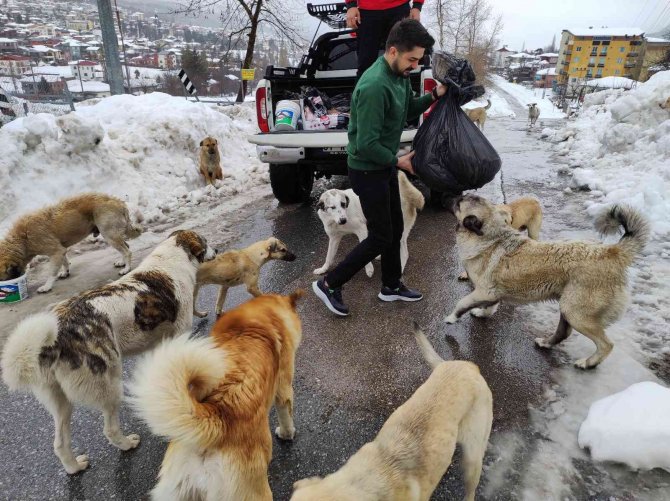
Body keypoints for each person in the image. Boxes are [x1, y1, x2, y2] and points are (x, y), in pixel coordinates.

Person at [312, 19, 446, 317]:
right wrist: (398, 160)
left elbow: (408, 109)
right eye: (412, 59)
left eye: (418, 60)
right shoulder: (375, 86)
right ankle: (330, 283)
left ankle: (391, 285)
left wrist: (435, 95)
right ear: (394, 51)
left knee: (396, 226)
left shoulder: (398, 75)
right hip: (367, 169)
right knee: (381, 235)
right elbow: (366, 144)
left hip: (382, 165)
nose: (415, 65)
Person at [345, 0, 425, 78]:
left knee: (401, 63)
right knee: (365, 64)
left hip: (399, 8)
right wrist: (351, 5)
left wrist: (417, 6)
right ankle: (364, 90)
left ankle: (401, 91)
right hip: (367, 11)